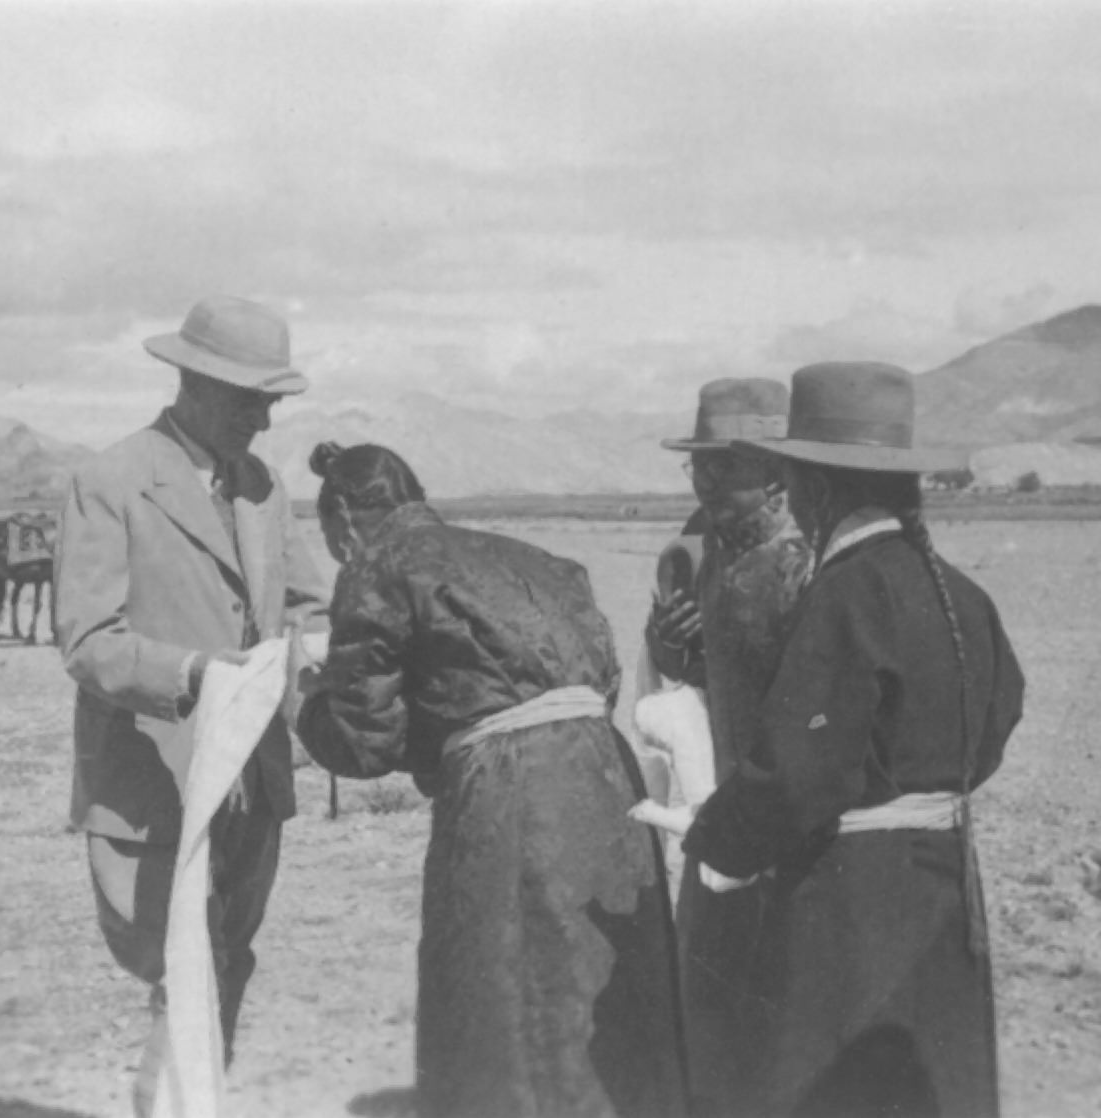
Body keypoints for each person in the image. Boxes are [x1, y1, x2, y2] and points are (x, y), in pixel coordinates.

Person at [288, 441, 687, 1118]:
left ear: (347, 521)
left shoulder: (376, 561)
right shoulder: (535, 559)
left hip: (512, 794)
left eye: (335, 542)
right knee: (603, 1004)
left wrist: (303, 700)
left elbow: (364, 742)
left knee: (506, 1003)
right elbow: (600, 674)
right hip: (605, 775)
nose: (338, 557)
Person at [681, 362, 1025, 1117]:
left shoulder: (847, 594)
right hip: (941, 883)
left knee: (830, 1085)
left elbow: (795, 776)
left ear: (816, 485)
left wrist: (711, 840)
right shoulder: (958, 590)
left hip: (850, 903)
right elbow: (999, 719)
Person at [53, 294, 329, 1117]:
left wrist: (312, 648)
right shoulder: (112, 482)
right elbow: (87, 642)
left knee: (224, 965)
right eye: (252, 399)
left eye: (272, 400)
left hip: (252, 781)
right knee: (179, 973)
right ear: (196, 383)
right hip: (151, 786)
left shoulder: (261, 487)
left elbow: (307, 602)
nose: (265, 419)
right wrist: (199, 674)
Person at [644, 378, 814, 1114]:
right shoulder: (696, 552)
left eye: (725, 467)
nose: (706, 481)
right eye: (698, 465)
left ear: (776, 472)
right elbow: (703, 684)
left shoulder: (814, 560)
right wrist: (672, 652)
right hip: (723, 811)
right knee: (713, 1006)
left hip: (797, 818)